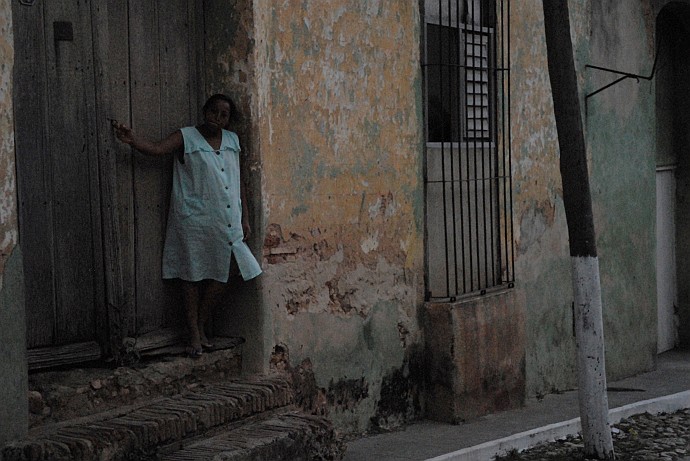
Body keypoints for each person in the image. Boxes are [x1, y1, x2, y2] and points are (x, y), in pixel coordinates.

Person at [113, 93, 262, 358]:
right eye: (213, 112)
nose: (217, 118)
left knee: (225, 272)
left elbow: (239, 181)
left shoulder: (232, 141)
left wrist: (245, 217)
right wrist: (133, 140)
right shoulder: (186, 137)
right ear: (204, 111)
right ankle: (194, 331)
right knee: (191, 274)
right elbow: (157, 148)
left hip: (226, 219)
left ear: (228, 120)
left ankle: (201, 323)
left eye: (223, 115)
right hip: (194, 219)